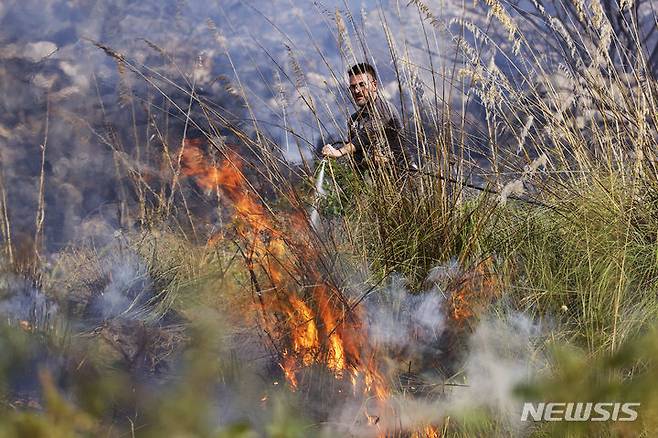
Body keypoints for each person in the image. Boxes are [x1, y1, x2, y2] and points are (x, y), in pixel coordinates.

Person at [322, 63, 413, 172]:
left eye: (362, 85)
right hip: (377, 184)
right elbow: (356, 160)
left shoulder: (385, 108)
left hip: (405, 178)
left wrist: (339, 152)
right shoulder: (354, 120)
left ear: (374, 85)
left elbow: (367, 134)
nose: (357, 91)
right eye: (353, 86)